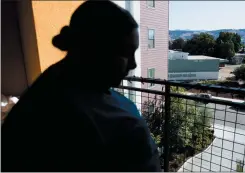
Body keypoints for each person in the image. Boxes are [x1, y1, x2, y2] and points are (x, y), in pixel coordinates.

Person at [1, 1, 161, 172]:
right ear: (94, 49)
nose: (133, 64)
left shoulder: (46, 87)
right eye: (125, 52)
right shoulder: (118, 125)